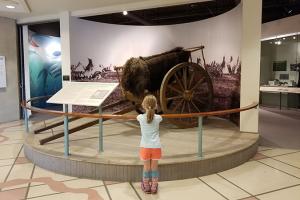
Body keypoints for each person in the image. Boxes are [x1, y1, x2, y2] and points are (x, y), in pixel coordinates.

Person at [137, 95, 162, 194]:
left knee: (146, 167)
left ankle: (146, 186)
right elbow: (155, 117)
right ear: (156, 106)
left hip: (145, 147)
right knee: (154, 168)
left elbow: (143, 116)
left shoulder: (140, 117)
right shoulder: (159, 118)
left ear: (143, 105)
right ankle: (154, 187)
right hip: (156, 146)